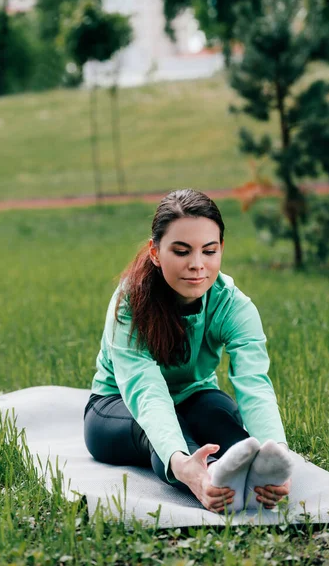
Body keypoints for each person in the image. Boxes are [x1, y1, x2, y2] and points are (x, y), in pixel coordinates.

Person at [84, 189, 293, 513]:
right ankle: (209, 477)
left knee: (221, 415)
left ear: (221, 249)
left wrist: (276, 449)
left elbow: (254, 384)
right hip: (119, 406)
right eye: (181, 251)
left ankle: (256, 471)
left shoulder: (234, 305)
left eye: (209, 251)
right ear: (155, 252)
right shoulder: (129, 304)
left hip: (194, 396)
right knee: (163, 433)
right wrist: (186, 468)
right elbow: (146, 392)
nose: (197, 265)